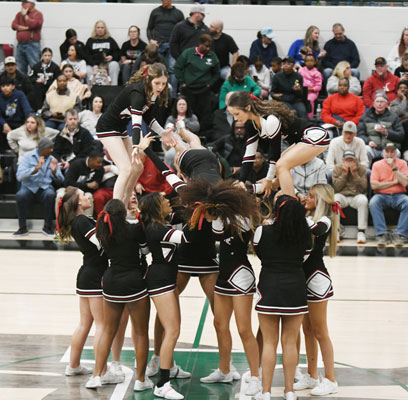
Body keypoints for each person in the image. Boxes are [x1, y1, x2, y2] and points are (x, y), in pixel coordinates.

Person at [85, 199, 151, 391]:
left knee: (108, 330)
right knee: (141, 332)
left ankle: (96, 376)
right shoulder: (134, 229)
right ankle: (141, 380)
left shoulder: (102, 231)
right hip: (133, 281)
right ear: (123, 213)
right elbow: (146, 250)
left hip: (111, 281)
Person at [253, 195, 312, 400]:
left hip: (269, 287)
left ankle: (266, 392)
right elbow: (304, 258)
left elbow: (259, 253)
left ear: (276, 211)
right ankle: (289, 392)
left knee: (269, 343)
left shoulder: (262, 231)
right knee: (289, 343)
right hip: (295, 289)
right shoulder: (305, 234)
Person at [56, 188, 116, 382]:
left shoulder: (80, 220)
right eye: (83, 195)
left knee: (85, 324)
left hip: (87, 274)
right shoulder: (81, 220)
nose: (88, 196)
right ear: (78, 203)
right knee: (102, 326)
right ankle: (102, 372)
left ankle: (73, 366)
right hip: (95, 275)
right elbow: (100, 242)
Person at [138, 190, 193, 400]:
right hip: (161, 281)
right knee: (173, 330)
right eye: (163, 200)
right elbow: (187, 237)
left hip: (165, 279)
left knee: (171, 328)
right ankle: (162, 384)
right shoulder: (157, 229)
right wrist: (200, 216)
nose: (168, 201)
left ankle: (168, 366)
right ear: (156, 207)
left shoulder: (158, 226)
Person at [228, 91, 329, 197]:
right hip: (302, 140)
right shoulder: (251, 124)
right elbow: (249, 155)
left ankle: (290, 203)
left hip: (315, 135)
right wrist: (241, 180)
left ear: (248, 108)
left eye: (237, 114)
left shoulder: (270, 120)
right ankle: (274, 185)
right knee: (278, 168)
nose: (235, 118)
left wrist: (268, 179)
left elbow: (275, 154)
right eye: (233, 115)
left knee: (281, 165)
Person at [95, 63, 170, 205]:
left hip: (119, 129)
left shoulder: (152, 94)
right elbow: (136, 123)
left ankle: (125, 202)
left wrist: (163, 133)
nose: (160, 87)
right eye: (157, 83)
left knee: (138, 167)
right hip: (107, 128)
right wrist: (136, 146)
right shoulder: (137, 93)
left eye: (164, 83)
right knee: (125, 169)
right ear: (148, 79)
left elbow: (148, 117)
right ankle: (114, 210)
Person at [294, 184, 339, 397]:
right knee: (308, 330)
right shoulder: (308, 218)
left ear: (320, 200)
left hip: (317, 280)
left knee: (321, 331)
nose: (306, 198)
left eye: (311, 196)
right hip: (302, 278)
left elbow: (314, 230)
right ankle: (312, 375)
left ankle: (330, 379)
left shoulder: (325, 220)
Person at [14, 137, 63, 236]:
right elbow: (19, 176)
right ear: (42, 149)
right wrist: (35, 169)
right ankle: (22, 228)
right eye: (50, 148)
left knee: (50, 194)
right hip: (29, 187)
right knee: (20, 195)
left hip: (45, 188)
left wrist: (54, 172)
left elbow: (61, 181)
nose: (52, 150)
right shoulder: (28, 157)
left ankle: (47, 227)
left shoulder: (52, 159)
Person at [174, 34, 220, 137]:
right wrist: (182, 82)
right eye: (206, 46)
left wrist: (210, 84)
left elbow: (217, 73)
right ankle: (187, 134)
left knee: (205, 113)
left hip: (204, 90)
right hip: (189, 89)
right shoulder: (188, 53)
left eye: (210, 46)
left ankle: (202, 136)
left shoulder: (212, 56)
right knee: (189, 112)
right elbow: (177, 68)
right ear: (200, 44)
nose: (208, 49)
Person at [369, 142, 408, 247]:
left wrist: (394, 167)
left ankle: (401, 234)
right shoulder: (377, 165)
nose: (389, 154)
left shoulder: (402, 163)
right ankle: (382, 234)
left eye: (392, 151)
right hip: (382, 195)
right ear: (383, 152)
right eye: (387, 151)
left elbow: (405, 183)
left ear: (396, 153)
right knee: (373, 202)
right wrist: (394, 182)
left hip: (399, 195)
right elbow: (374, 186)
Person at [147, 0, 184, 94]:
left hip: (172, 46)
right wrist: (151, 40)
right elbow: (149, 28)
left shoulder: (178, 13)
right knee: (157, 69)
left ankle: (172, 95)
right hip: (158, 45)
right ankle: (156, 93)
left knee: (172, 69)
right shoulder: (155, 12)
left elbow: (183, 30)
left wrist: (177, 44)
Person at [358, 91, 404, 165]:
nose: (379, 104)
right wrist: (368, 142)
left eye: (382, 102)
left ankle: (392, 172)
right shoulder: (365, 117)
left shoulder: (394, 117)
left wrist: (387, 133)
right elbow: (360, 134)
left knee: (397, 153)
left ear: (386, 104)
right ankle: (366, 171)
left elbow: (401, 135)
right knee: (365, 150)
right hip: (372, 148)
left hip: (388, 148)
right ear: (373, 104)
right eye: (377, 102)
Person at [332, 149, 368, 244]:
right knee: (335, 199)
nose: (349, 162)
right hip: (342, 195)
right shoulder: (337, 168)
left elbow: (364, 188)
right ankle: (336, 231)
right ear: (342, 160)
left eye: (351, 160)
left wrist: (355, 174)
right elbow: (336, 188)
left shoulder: (361, 169)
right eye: (347, 160)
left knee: (363, 200)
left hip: (356, 196)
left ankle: (361, 232)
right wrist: (344, 174)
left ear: (355, 160)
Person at [56, 151, 105, 217]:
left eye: (101, 162)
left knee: (89, 197)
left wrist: (79, 188)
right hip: (69, 190)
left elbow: (94, 188)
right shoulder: (77, 164)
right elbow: (67, 183)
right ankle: (59, 220)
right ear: (91, 160)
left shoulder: (100, 170)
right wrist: (87, 185)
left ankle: (87, 220)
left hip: (85, 192)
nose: (100, 164)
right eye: (98, 162)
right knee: (60, 196)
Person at [11, 0, 43, 75]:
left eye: (26, 2)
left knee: (35, 66)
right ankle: (21, 82)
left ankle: (36, 82)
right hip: (20, 44)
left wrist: (25, 16)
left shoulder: (38, 14)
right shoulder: (19, 14)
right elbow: (13, 25)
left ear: (32, 4)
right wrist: (26, 28)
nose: (23, 4)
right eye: (23, 2)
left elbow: (33, 25)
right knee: (20, 67)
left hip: (32, 45)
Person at [0, 76, 32, 151]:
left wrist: (26, 123)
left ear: (13, 86)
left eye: (7, 85)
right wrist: (4, 124)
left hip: (19, 122)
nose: (5, 88)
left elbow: (27, 110)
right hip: (6, 123)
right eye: (3, 86)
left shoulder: (20, 95)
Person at [85, 21, 121, 86]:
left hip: (107, 64)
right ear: (95, 29)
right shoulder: (90, 40)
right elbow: (86, 55)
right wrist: (93, 64)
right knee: (87, 69)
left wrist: (112, 57)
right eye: (98, 27)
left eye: (102, 27)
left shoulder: (110, 40)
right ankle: (91, 89)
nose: (100, 29)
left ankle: (113, 87)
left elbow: (118, 52)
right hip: (94, 65)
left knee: (114, 64)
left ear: (105, 29)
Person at [298, 53, 322, 118]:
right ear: (305, 62)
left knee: (309, 99)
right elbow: (297, 80)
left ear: (315, 62)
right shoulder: (301, 70)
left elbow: (318, 86)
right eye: (307, 61)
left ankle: (310, 117)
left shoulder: (317, 73)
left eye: (311, 61)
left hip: (312, 92)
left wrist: (309, 89)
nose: (309, 62)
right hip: (301, 91)